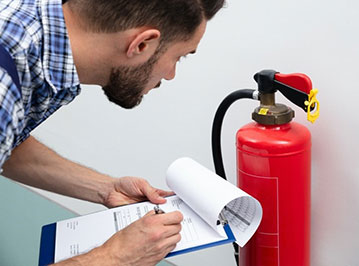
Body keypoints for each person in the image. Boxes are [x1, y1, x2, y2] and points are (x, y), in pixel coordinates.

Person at [0, 0, 225, 265]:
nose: (171, 74)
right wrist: (116, 257)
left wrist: (105, 189)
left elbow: (8, 143)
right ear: (142, 44)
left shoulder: (29, 25)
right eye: (179, 56)